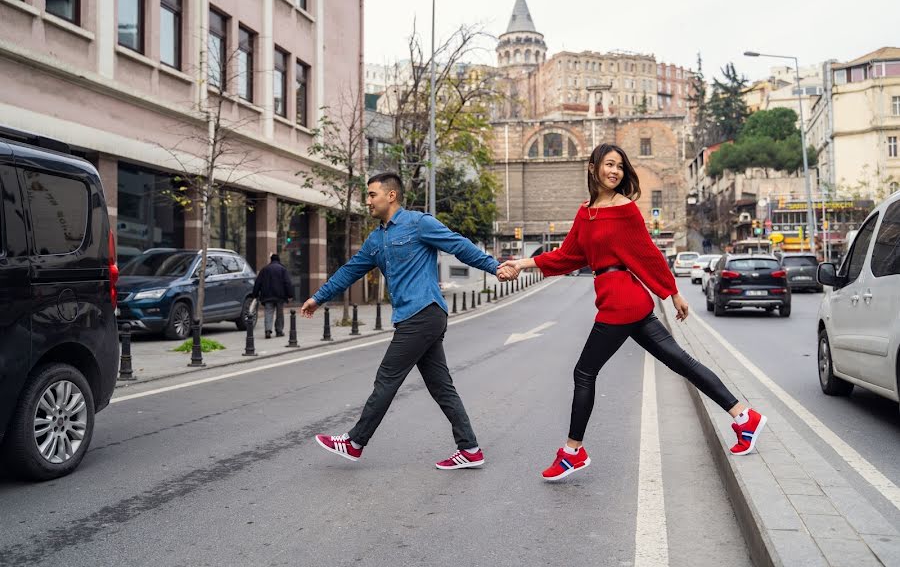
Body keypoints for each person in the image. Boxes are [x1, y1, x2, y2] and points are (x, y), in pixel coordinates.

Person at [501, 143, 767, 482]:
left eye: (620, 167)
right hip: (623, 301)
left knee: (584, 373)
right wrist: (522, 263)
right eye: (609, 165)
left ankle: (572, 452)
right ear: (592, 166)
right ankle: (744, 417)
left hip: (621, 301)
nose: (615, 171)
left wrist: (671, 292)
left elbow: (647, 252)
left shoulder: (624, 207)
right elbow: (568, 256)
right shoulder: (587, 212)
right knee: (681, 361)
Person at [301, 172, 516, 469]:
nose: (367, 201)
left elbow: (458, 244)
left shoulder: (419, 223)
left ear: (391, 195)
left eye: (372, 194)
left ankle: (355, 442)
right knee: (441, 385)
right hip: (411, 318)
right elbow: (350, 271)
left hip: (424, 312)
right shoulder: (376, 239)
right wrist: (319, 297)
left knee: (387, 378)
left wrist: (494, 267)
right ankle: (470, 449)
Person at [252, 253, 294, 339]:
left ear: (271, 260)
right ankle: (279, 331)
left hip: (267, 296)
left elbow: (258, 282)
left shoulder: (264, 269)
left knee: (268, 312)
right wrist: (290, 295)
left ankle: (268, 330)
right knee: (279, 314)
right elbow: (287, 283)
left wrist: (255, 294)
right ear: (279, 260)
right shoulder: (282, 269)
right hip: (280, 296)